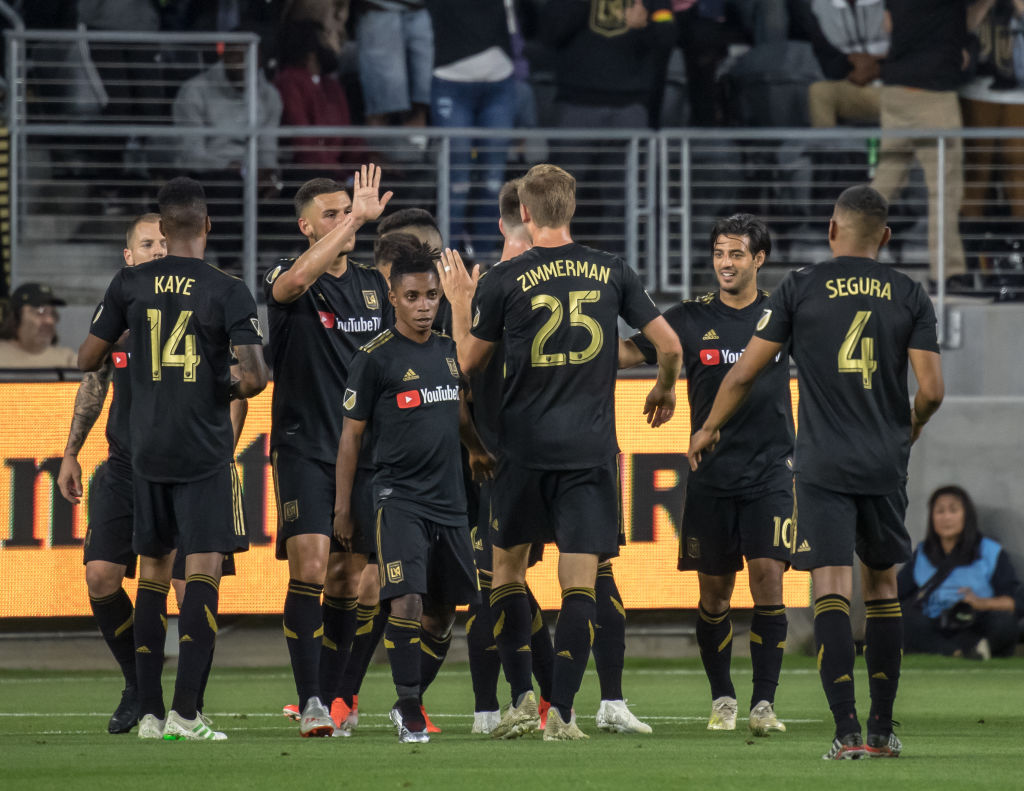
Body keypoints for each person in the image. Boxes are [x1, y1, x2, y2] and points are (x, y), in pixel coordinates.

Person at [688, 185, 945, 760]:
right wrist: (912, 426)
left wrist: (706, 428)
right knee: (881, 587)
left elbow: (744, 375)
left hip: (822, 462)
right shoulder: (908, 292)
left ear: (832, 230)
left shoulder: (800, 287)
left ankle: (845, 733)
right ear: (884, 235)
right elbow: (932, 391)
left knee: (829, 586)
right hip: (883, 460)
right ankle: (882, 730)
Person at [437, 163, 682, 740]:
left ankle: (523, 696)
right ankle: (563, 716)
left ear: (524, 212)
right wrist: (665, 387)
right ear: (571, 209)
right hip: (590, 451)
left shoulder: (505, 278)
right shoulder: (611, 270)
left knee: (505, 576)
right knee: (581, 585)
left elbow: (465, 365)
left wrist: (457, 303)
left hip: (519, 452)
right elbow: (666, 343)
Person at [78, 177, 269, 741]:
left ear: (161, 229)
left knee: (154, 576)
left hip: (144, 453)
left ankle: (152, 715)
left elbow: (89, 354)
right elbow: (255, 377)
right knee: (202, 575)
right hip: (202, 452)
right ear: (208, 226)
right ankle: (188, 713)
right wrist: (221, 383)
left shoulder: (129, 283)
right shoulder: (227, 289)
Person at [619, 213, 793, 736]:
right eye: (719, 253)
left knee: (768, 583)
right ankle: (723, 697)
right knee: (714, 596)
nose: (726, 263)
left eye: (737, 253)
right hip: (712, 476)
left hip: (771, 474)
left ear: (758, 259)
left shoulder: (782, 315)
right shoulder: (690, 318)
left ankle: (764, 703)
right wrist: (572, 357)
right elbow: (630, 352)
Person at [333, 242, 494, 743]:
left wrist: (476, 450)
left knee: (443, 615)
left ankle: (409, 700)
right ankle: (407, 707)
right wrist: (343, 508)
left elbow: (458, 413)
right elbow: (351, 437)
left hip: (450, 501)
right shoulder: (374, 359)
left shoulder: (450, 352)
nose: (424, 305)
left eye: (431, 296)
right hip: (398, 498)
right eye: (413, 296)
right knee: (403, 598)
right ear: (393, 297)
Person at [267, 165, 393, 737]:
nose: (346, 219)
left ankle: (339, 698)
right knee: (312, 566)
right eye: (332, 214)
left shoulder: (374, 286)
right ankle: (311, 699)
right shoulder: (290, 278)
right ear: (306, 226)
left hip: (365, 456)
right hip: (303, 448)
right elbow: (290, 285)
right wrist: (358, 223)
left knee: (347, 581)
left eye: (350, 210)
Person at [55, 214, 167, 734]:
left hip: (181, 467)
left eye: (165, 241)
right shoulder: (119, 309)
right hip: (122, 464)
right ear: (129, 257)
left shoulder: (199, 302)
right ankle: (137, 684)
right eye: (147, 243)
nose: (157, 249)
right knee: (101, 577)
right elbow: (93, 378)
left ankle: (181, 701)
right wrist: (71, 451)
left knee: (177, 586)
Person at [870, 0, 993, 283]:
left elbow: (889, 24)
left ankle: (846, 258)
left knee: (885, 184)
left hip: (896, 90)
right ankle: (948, 273)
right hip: (933, 95)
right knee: (945, 189)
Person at [899, 485, 1021, 658]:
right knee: (901, 618)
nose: (946, 517)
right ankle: (956, 652)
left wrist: (980, 603)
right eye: (939, 511)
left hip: (976, 622)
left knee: (1005, 622)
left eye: (953, 510)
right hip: (935, 624)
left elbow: (1013, 602)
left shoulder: (991, 551)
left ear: (967, 516)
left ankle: (978, 648)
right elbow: (896, 594)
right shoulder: (922, 553)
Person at [0, 283, 78, 369]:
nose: (50, 321)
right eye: (40, 312)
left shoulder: (68, 360)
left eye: (53, 313)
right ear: (17, 317)